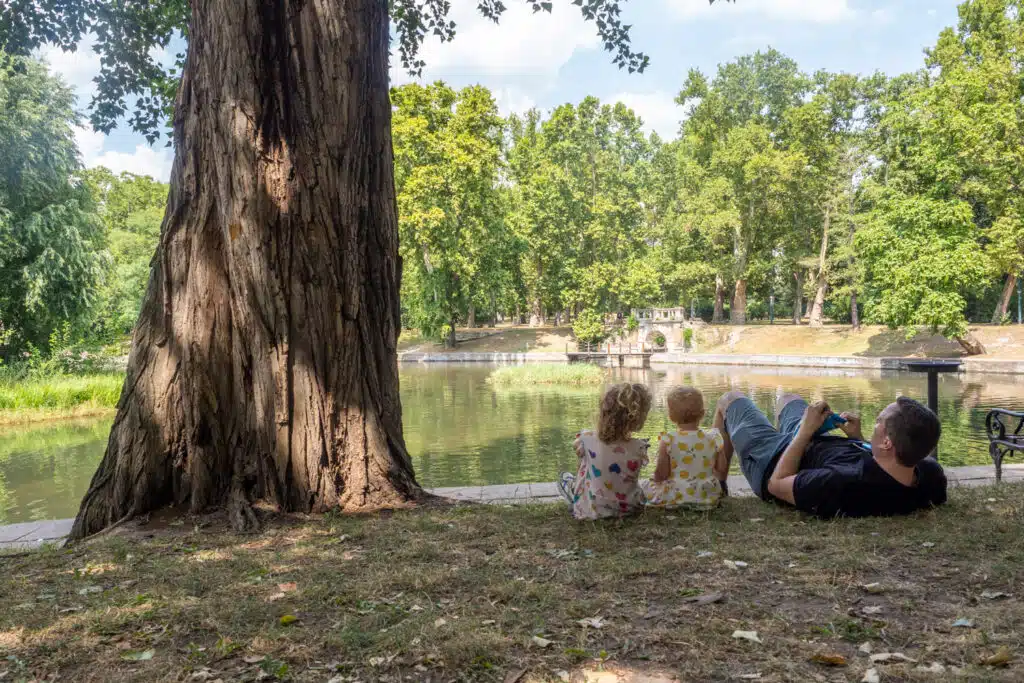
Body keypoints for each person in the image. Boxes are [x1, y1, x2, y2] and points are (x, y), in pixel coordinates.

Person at [712, 392, 947, 518]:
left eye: (878, 422)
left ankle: (717, 483)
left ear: (887, 442)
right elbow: (885, 467)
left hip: (772, 461)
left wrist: (805, 431)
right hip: (808, 441)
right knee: (788, 398)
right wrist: (858, 439)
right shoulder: (928, 474)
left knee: (729, 399)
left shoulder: (838, 483)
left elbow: (777, 484)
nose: (875, 423)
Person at [558, 382, 652, 519]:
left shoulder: (587, 438)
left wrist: (583, 441)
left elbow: (576, 445)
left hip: (593, 510)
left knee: (581, 461)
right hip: (629, 509)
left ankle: (575, 491)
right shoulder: (640, 447)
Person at [643, 386, 727, 509]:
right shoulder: (714, 437)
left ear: (671, 416)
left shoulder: (668, 440)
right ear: (702, 413)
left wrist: (655, 480)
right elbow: (722, 468)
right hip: (707, 496)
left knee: (646, 485)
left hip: (676, 495)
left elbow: (662, 474)